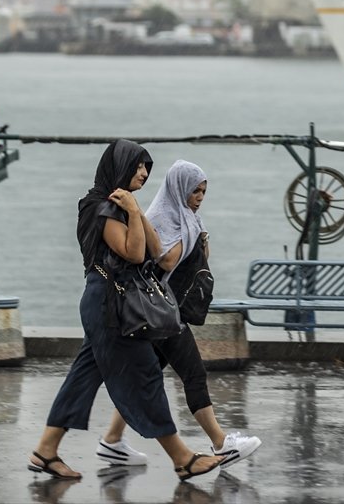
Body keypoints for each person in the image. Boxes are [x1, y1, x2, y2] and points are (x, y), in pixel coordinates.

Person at [28, 140, 222, 482]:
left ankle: (46, 450)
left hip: (108, 301)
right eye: (137, 166)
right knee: (145, 372)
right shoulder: (101, 207)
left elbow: (156, 250)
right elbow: (134, 254)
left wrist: (137, 212)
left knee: (84, 376)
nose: (144, 173)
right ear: (119, 167)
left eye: (146, 167)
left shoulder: (121, 204)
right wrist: (133, 212)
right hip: (109, 303)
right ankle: (181, 458)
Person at [97, 159, 262, 469]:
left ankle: (111, 440)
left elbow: (199, 258)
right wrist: (191, 233)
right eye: (195, 191)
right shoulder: (160, 216)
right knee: (193, 373)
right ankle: (221, 443)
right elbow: (168, 260)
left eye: (203, 192)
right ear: (179, 187)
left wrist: (200, 236)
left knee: (145, 378)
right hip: (160, 311)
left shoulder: (186, 217)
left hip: (170, 309)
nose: (199, 198)